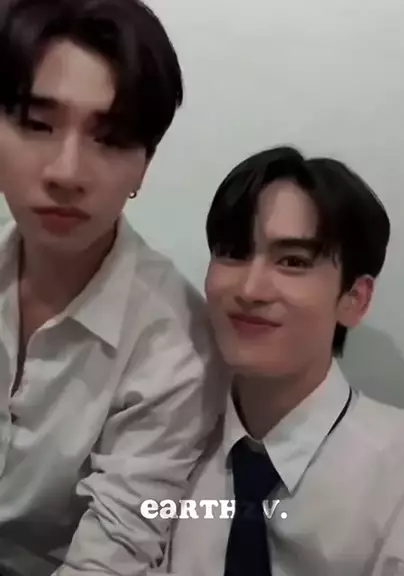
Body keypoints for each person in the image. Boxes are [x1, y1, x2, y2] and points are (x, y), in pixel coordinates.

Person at [0, 0, 226, 574]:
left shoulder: (178, 348)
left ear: (143, 167)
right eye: (37, 124)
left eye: (111, 137)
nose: (66, 172)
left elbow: (115, 550)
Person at [167, 146, 404, 576]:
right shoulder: (161, 441)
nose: (250, 289)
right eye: (233, 252)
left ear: (355, 299)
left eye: (292, 261)